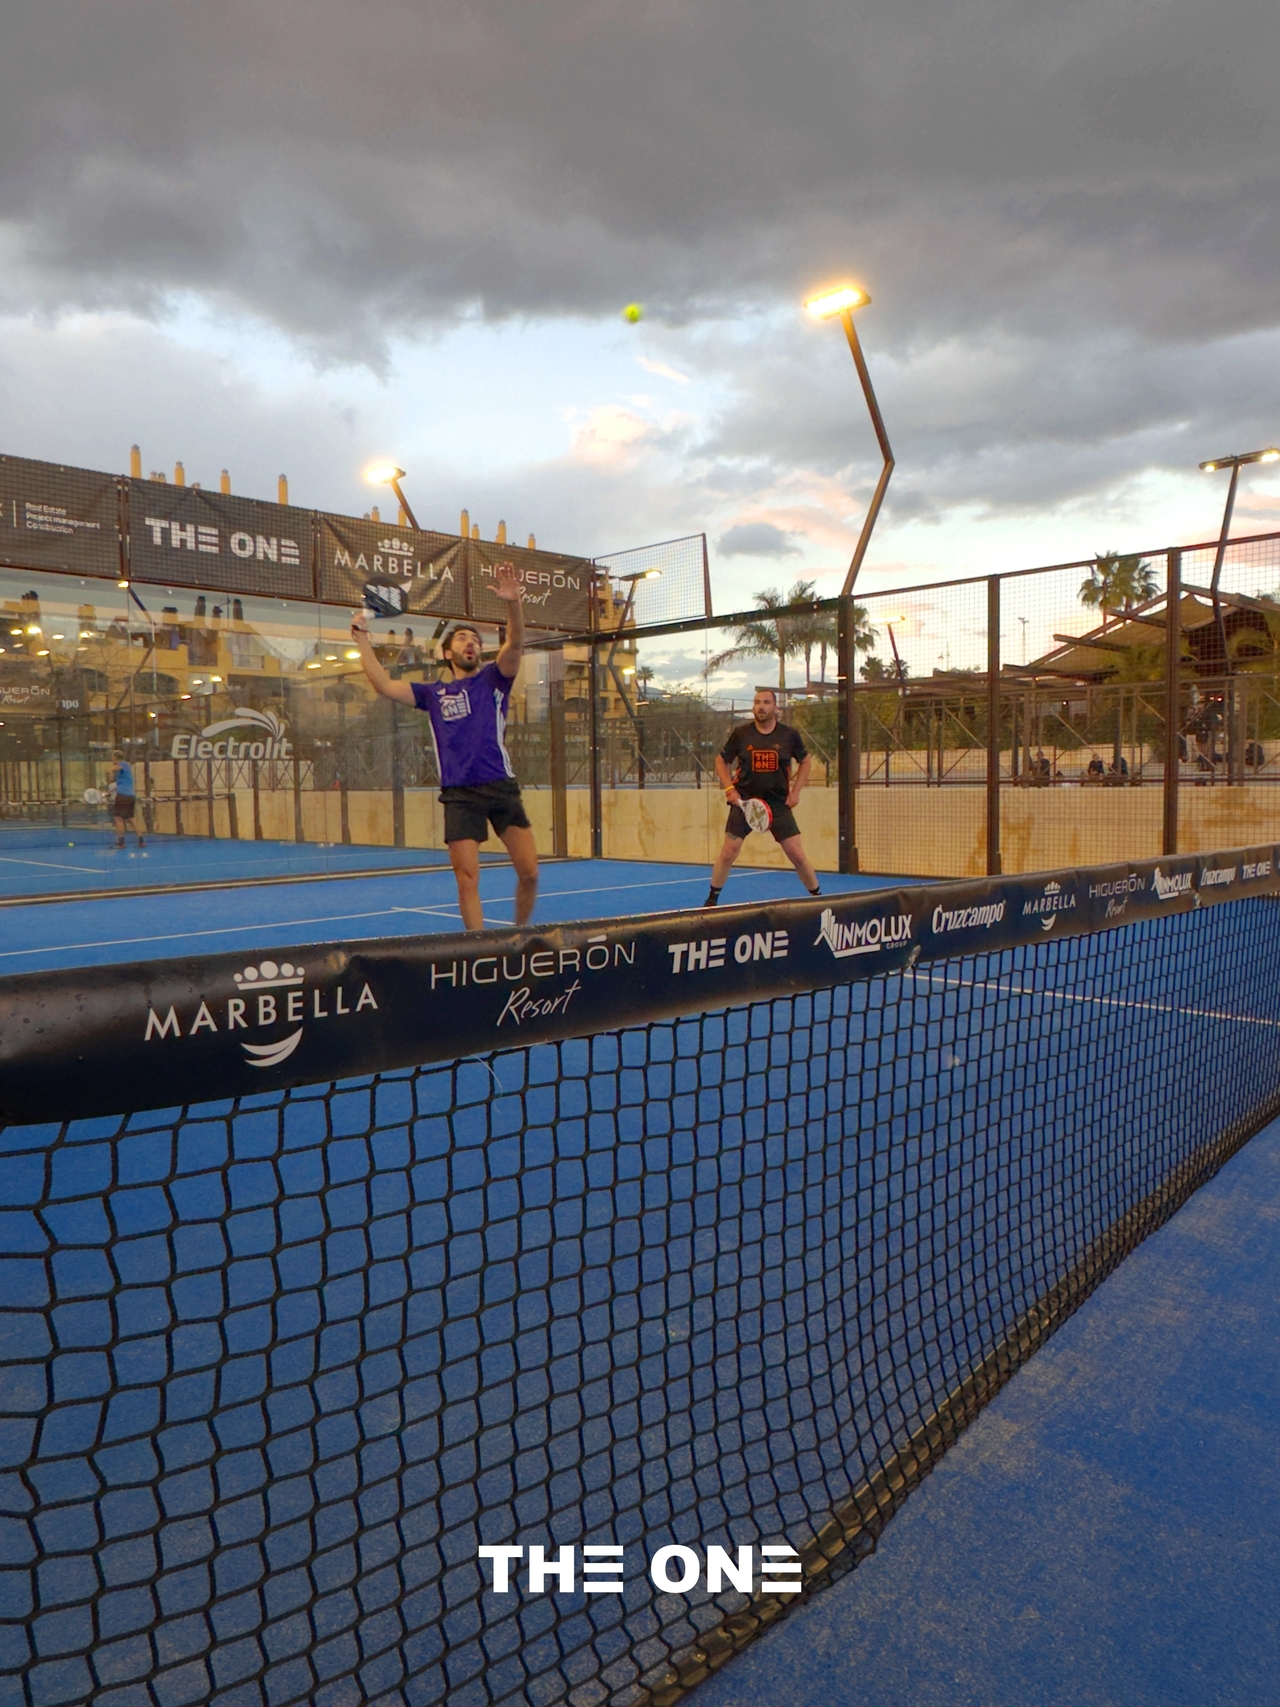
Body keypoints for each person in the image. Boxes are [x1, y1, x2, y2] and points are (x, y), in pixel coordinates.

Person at [349, 565, 537, 930]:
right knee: (467, 880)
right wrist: (362, 641)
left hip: (500, 786)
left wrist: (513, 604)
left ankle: (520, 936)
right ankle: (478, 949)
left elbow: (515, 643)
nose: (471, 643)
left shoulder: (495, 679)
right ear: (448, 652)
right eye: (462, 638)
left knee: (529, 873)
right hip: (460, 794)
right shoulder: (432, 693)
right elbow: (384, 685)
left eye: (475, 640)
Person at [704, 687, 822, 907]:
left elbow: (805, 761)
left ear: (775, 707)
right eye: (757, 702)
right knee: (729, 852)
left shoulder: (789, 735)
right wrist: (729, 788)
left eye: (766, 702)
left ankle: (818, 898)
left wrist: (796, 792)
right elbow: (721, 760)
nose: (761, 707)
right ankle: (711, 900)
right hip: (745, 802)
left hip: (778, 804)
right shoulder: (741, 734)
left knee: (797, 855)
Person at [110, 749, 145, 849]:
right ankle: (141, 841)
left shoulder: (123, 764)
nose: (111, 758)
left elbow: (115, 768)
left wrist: (109, 770)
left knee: (118, 819)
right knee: (131, 819)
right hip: (130, 796)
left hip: (123, 796)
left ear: (115, 757)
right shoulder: (125, 768)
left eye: (112, 756)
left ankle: (121, 843)